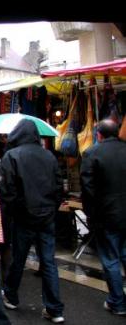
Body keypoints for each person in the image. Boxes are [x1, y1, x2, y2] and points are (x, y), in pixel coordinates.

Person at [0, 120, 65, 323]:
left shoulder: (12, 155)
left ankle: (11, 295)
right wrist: (52, 208)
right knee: (49, 262)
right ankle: (54, 308)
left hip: (23, 217)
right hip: (46, 217)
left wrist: (16, 210)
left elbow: (6, 190)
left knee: (19, 258)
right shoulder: (49, 156)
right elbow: (59, 186)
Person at [80, 119, 126, 316]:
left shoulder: (92, 153)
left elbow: (88, 189)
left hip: (107, 216)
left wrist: (91, 214)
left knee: (111, 259)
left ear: (98, 134)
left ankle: (118, 302)